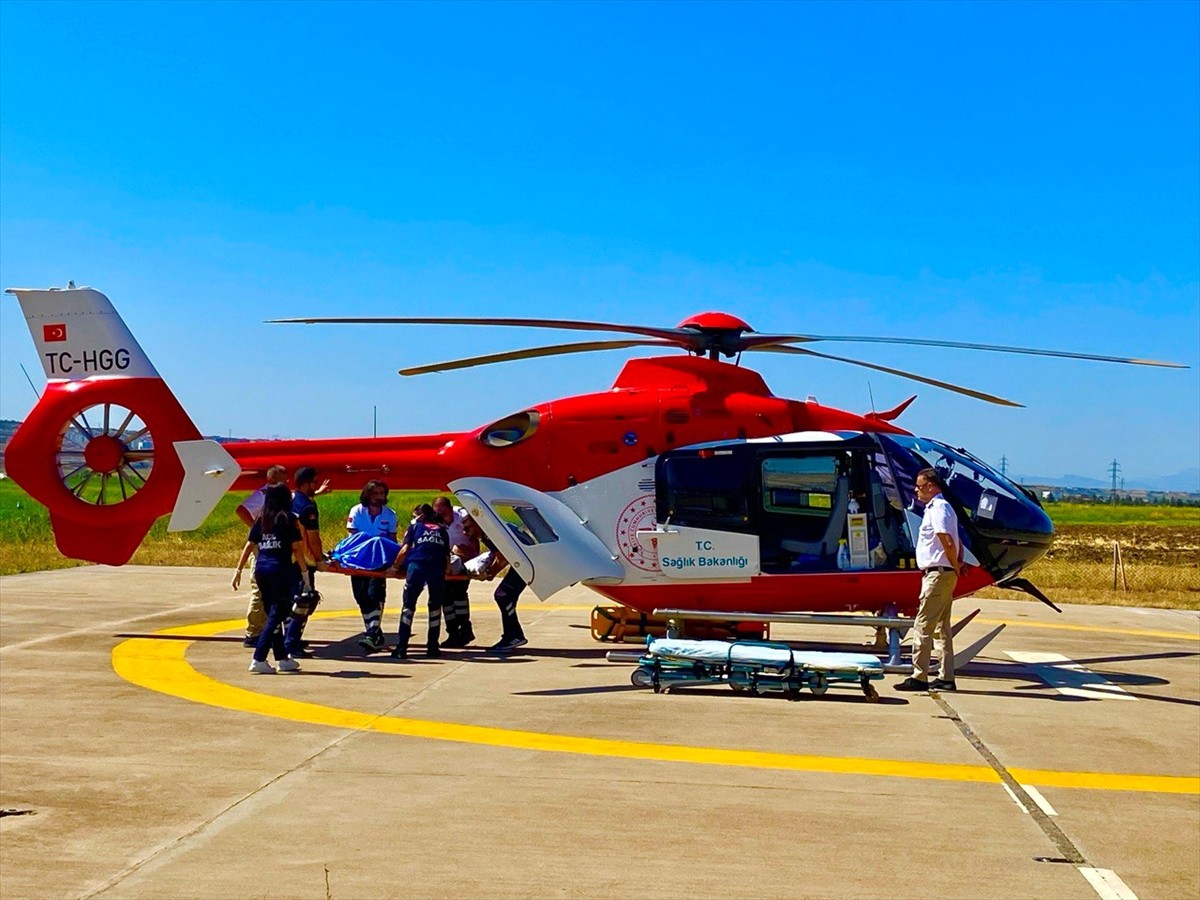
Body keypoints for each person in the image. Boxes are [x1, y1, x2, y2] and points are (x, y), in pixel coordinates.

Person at [895, 468, 965, 692]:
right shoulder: (941, 508)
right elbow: (956, 540)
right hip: (942, 572)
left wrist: (955, 565)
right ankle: (946, 676)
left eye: (920, 486)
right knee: (942, 627)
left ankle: (919, 676)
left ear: (932, 486)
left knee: (923, 624)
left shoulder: (938, 508)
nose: (916, 490)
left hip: (938, 573)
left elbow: (947, 539)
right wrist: (956, 565)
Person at [232, 483, 310, 674]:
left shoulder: (261, 519)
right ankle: (258, 658)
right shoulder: (290, 519)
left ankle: (282, 658)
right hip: (279, 571)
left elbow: (250, 545)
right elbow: (297, 548)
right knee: (277, 615)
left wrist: (238, 569)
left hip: (262, 570)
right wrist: (305, 574)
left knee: (272, 613)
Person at [386, 503, 450, 659]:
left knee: (408, 606)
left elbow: (405, 549)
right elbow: (447, 557)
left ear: (420, 516)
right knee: (435, 607)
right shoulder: (442, 530)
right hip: (437, 568)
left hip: (418, 566)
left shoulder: (415, 528)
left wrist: (394, 568)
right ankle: (432, 647)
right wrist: (446, 571)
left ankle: (401, 648)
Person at [234, 464, 288, 647]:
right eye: (283, 477)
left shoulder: (281, 496)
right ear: (272, 479)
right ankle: (253, 632)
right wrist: (257, 530)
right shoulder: (263, 495)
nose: (286, 480)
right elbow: (241, 510)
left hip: (275, 546)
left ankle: (267, 629)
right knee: (259, 590)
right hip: (263, 545)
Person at [345, 480, 398, 652]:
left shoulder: (390, 514)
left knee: (375, 593)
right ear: (368, 494)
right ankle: (374, 633)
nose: (379, 497)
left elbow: (392, 539)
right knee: (361, 596)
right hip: (359, 559)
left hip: (379, 561)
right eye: (376, 493)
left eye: (382, 493)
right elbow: (352, 537)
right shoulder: (357, 511)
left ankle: (373, 632)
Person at [284, 466, 327, 658]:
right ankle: (291, 643)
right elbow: (313, 537)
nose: (316, 486)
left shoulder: (290, 500)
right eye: (314, 483)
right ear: (305, 484)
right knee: (305, 601)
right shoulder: (308, 507)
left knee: (291, 601)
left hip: (286, 558)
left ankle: (290, 637)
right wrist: (319, 559)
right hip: (304, 561)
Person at [433, 495, 477, 647]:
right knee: (445, 597)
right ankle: (452, 631)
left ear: (450, 509)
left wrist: (472, 558)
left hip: (464, 560)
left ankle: (465, 628)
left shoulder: (462, 516)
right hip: (445, 561)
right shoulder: (434, 521)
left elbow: (474, 538)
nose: (441, 517)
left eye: (443, 513)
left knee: (459, 595)